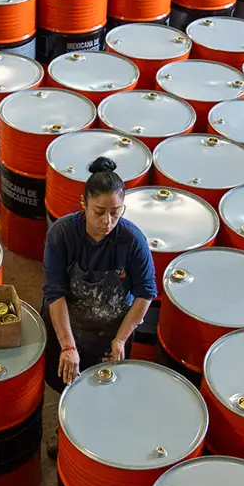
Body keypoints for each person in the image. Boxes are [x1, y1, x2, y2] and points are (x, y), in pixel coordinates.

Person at [42, 156, 156, 407]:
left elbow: (145, 292)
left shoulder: (132, 239)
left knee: (105, 393)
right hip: (68, 326)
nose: (107, 221)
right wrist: (67, 346)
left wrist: (121, 339)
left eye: (116, 213)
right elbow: (55, 292)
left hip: (111, 331)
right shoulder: (63, 235)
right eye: (99, 212)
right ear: (84, 203)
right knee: (66, 389)